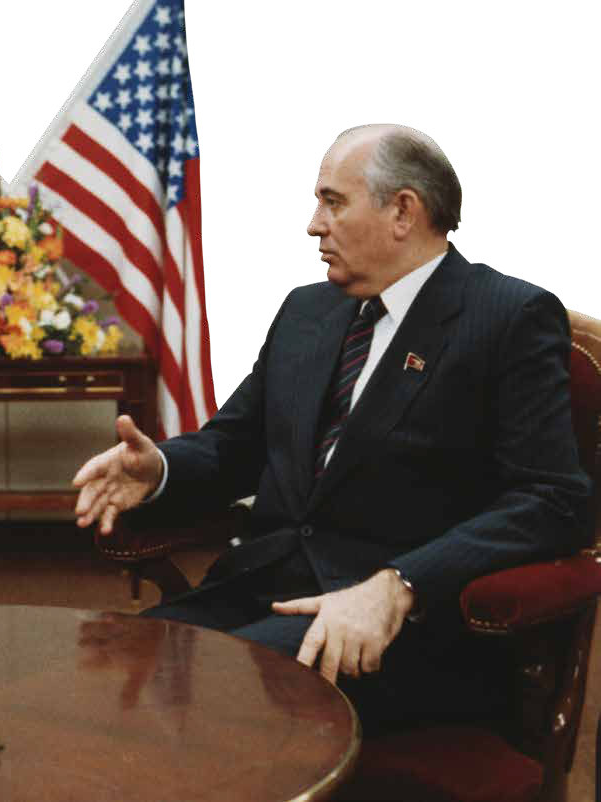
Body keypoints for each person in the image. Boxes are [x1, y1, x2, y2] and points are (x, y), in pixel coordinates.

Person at [73, 123, 591, 732]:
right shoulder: (307, 311)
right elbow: (235, 446)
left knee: (207, 702)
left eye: (333, 202)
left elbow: (551, 500)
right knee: (115, 678)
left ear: (403, 211)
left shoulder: (507, 317)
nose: (313, 225)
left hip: (397, 626)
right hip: (258, 587)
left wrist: (401, 584)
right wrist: (159, 469)